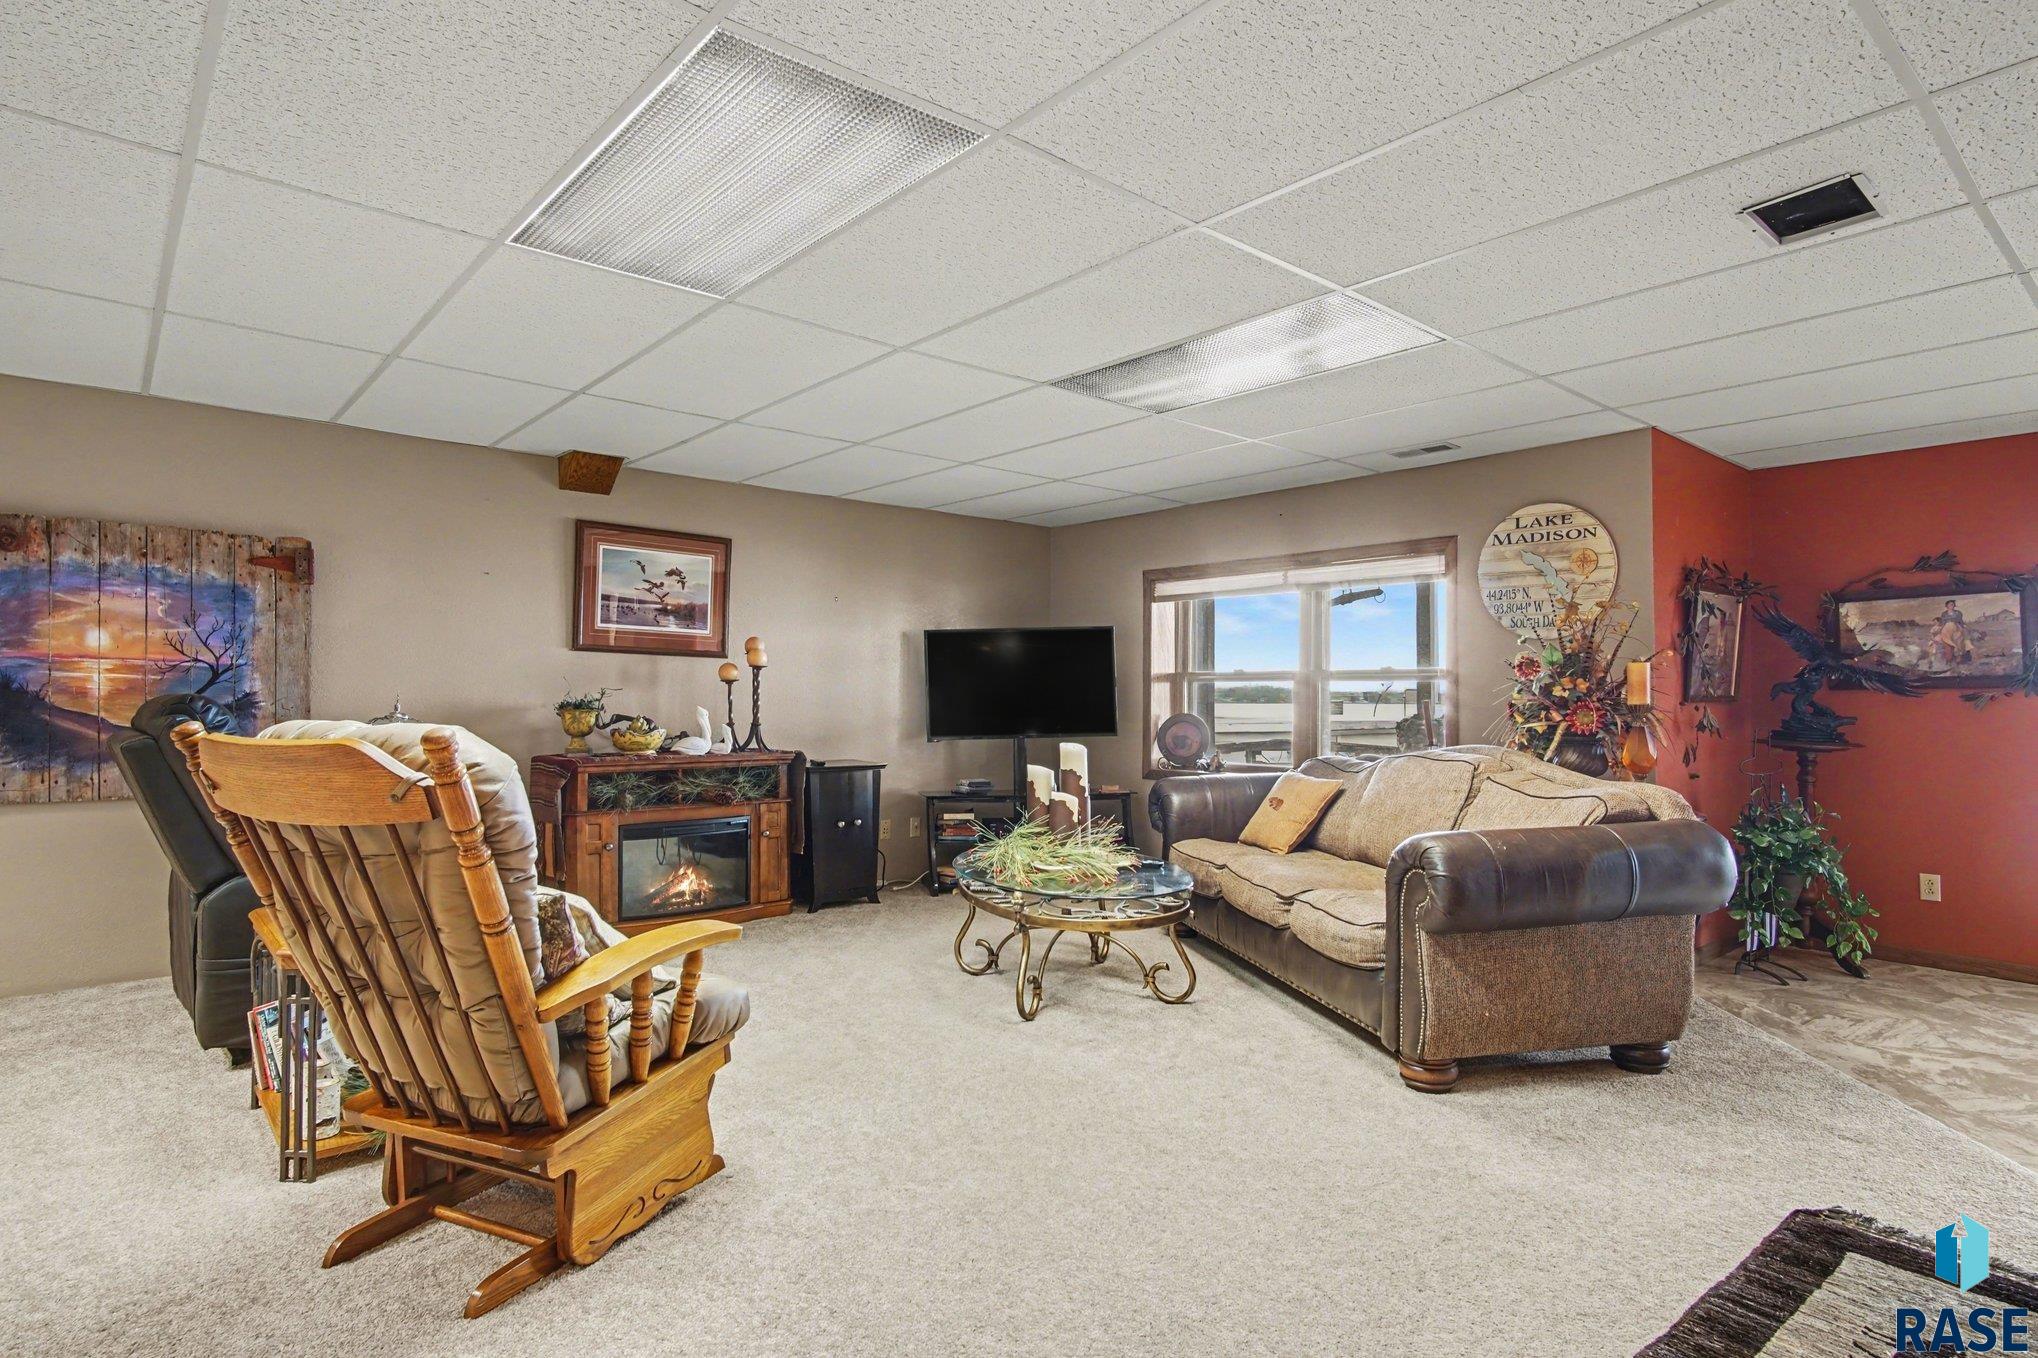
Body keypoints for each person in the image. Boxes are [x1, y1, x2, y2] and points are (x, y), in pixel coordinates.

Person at [1928, 600, 1972, 670]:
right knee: (1946, 642)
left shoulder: (1958, 613)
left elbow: (1960, 621)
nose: (1952, 606)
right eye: (1950, 604)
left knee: (1960, 640)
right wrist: (1940, 629)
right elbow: (1943, 622)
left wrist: (1964, 626)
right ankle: (1948, 659)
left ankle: (1959, 658)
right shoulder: (1944, 614)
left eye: (1953, 604)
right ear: (1947, 606)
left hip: (1956, 627)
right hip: (1947, 628)